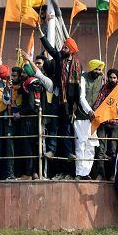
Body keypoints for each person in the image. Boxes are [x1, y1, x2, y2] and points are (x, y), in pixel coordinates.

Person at [40, 34, 82, 168]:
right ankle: (51, 150)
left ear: (70, 50)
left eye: (65, 47)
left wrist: (76, 103)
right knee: (54, 124)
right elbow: (50, 49)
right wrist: (42, 35)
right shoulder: (59, 58)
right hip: (58, 97)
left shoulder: (77, 64)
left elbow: (78, 85)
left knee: (67, 127)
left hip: (70, 102)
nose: (62, 48)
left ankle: (69, 152)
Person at [74, 59, 104, 180]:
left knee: (91, 146)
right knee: (81, 145)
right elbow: (81, 97)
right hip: (82, 116)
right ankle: (79, 173)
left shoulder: (100, 79)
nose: (98, 71)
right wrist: (89, 111)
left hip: (93, 119)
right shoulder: (83, 78)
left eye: (99, 69)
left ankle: (86, 172)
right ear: (91, 68)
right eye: (96, 69)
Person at [14, 64, 44, 180]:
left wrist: (20, 114)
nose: (22, 75)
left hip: (28, 120)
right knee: (34, 147)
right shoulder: (35, 84)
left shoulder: (30, 85)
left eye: (24, 73)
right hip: (35, 120)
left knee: (28, 147)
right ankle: (35, 172)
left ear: (29, 74)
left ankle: (28, 173)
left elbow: (31, 105)